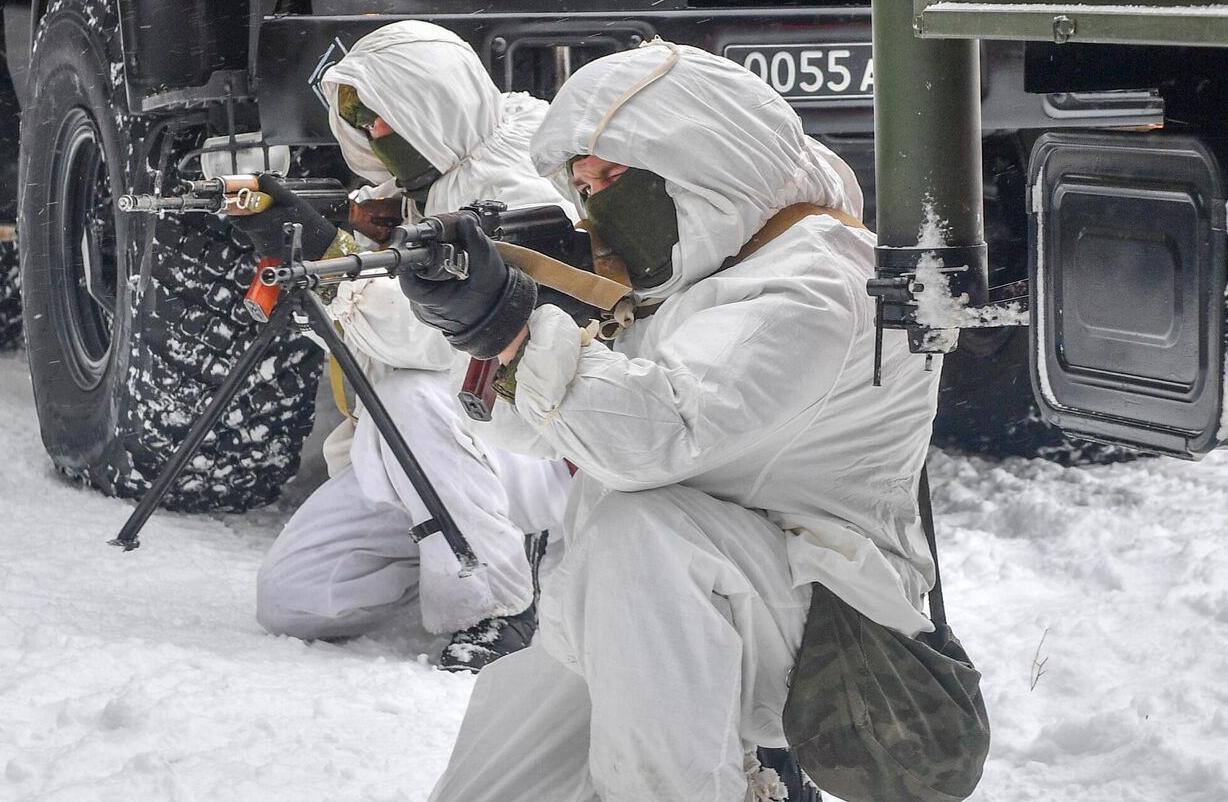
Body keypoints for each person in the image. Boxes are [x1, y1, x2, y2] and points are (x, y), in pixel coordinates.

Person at [401, 41, 944, 800]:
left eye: (613, 176)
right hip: (662, 607)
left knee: (640, 540)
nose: (597, 204)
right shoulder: (715, 265)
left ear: (695, 153)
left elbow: (653, 440)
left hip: (821, 623)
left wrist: (517, 327)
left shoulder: (819, 283)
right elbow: (548, 432)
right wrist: (492, 335)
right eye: (582, 186)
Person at [246, 21, 574, 672]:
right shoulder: (420, 181)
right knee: (296, 596)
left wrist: (333, 263)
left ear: (433, 108)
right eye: (365, 124)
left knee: (408, 396)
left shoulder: (513, 182)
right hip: (435, 456)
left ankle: (498, 605)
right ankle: (462, 539)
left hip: (534, 437)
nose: (376, 137)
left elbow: (439, 341)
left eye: (386, 120)